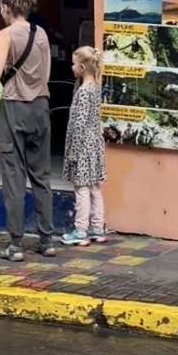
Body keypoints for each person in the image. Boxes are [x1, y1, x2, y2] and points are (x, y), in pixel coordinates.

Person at [0, 0, 54, 262]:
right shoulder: (41, 34)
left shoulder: (6, 35)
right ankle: (47, 240)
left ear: (7, 6)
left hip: (14, 108)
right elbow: (45, 77)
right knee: (41, 176)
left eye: (1, 6)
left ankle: (16, 245)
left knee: (14, 178)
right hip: (40, 107)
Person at [60, 46, 108, 246]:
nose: (71, 67)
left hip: (82, 147)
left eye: (73, 64)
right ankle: (98, 227)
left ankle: (81, 230)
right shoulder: (94, 88)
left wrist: (73, 152)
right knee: (95, 187)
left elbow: (79, 124)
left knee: (81, 188)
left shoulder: (83, 93)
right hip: (94, 145)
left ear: (81, 67)